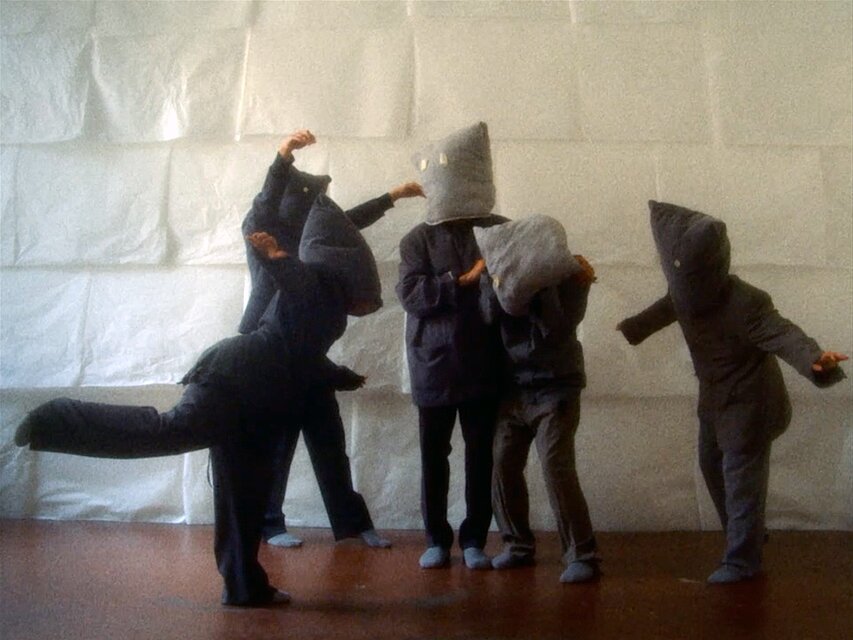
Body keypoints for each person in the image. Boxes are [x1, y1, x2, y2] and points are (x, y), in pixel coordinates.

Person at [14, 194, 385, 606]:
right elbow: (296, 284)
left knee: (243, 496)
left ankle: (245, 588)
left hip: (255, 403)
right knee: (168, 432)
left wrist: (341, 376)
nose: (371, 303)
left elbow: (302, 356)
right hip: (233, 384)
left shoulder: (326, 305)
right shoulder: (317, 288)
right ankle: (52, 419)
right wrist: (276, 258)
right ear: (348, 272)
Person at [617, 200, 848, 584]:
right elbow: (667, 308)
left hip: (751, 404)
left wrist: (814, 359)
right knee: (711, 464)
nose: (683, 291)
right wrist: (632, 328)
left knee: (741, 479)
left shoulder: (747, 302)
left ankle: (742, 560)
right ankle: (746, 534)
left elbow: (783, 334)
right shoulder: (683, 292)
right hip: (714, 398)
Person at [241, 129, 424, 549]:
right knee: (279, 441)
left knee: (328, 440)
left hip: (308, 355)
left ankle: (352, 522)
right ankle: (269, 523)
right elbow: (263, 205)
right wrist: (283, 156)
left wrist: (392, 196)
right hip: (269, 352)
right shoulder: (262, 236)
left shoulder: (316, 243)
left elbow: (347, 222)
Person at [396, 122, 506, 570]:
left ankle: (475, 540)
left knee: (481, 457)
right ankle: (436, 540)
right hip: (434, 366)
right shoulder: (417, 239)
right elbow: (410, 294)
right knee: (433, 458)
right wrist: (459, 282)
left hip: (485, 363)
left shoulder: (499, 231)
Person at [476, 215, 601, 583]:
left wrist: (542, 285)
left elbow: (558, 328)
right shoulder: (496, 278)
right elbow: (488, 316)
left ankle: (582, 554)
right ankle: (517, 544)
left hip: (556, 387)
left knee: (556, 465)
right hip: (514, 388)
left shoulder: (569, 279)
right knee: (503, 462)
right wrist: (493, 278)